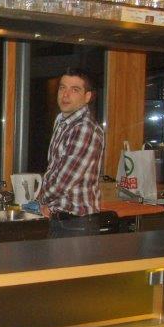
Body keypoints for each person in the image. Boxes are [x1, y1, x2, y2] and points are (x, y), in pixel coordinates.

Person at [38, 68, 105, 239]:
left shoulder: (84, 128)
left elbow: (64, 180)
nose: (66, 95)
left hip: (77, 224)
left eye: (75, 90)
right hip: (64, 220)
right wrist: (49, 204)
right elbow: (54, 169)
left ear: (87, 96)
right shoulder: (62, 122)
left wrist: (41, 200)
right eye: (62, 88)